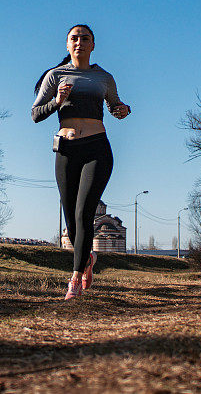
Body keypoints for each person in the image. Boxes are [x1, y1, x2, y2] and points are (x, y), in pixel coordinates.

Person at [31, 24, 131, 300]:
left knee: (84, 212)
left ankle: (74, 278)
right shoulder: (55, 76)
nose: (79, 42)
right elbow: (35, 114)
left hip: (97, 148)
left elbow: (115, 107)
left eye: (84, 38)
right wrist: (58, 101)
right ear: (67, 45)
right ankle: (86, 259)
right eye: (74, 38)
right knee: (70, 217)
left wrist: (123, 110)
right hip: (66, 149)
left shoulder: (103, 77)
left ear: (92, 45)